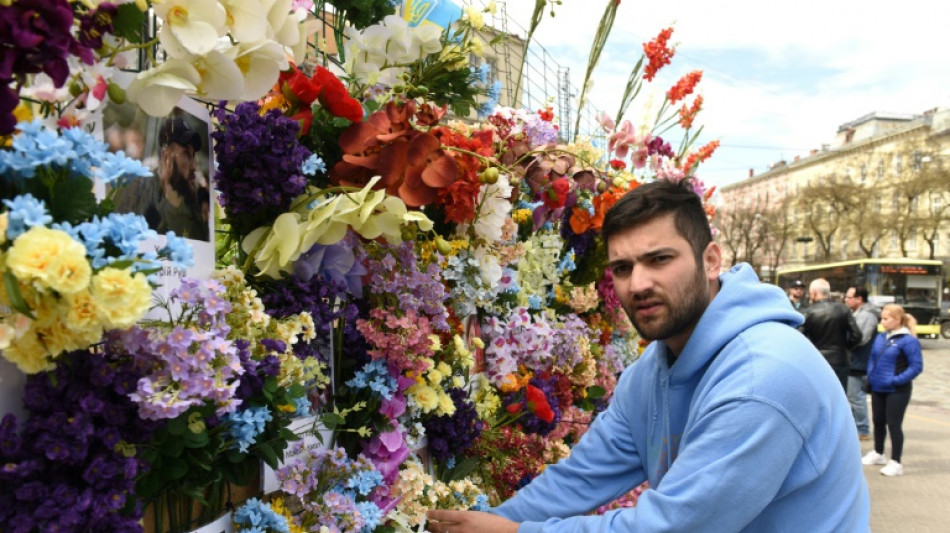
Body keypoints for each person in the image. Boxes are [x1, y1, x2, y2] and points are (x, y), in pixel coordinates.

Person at [427, 179, 869, 532]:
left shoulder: (761, 378)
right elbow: (582, 477)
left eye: (659, 259)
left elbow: (675, 526)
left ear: (711, 260)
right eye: (622, 268)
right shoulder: (653, 369)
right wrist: (488, 521)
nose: (637, 284)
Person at [861, 304, 923, 476]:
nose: (882, 322)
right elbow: (872, 358)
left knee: (894, 424)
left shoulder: (908, 341)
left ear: (897, 320)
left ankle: (896, 461)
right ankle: (878, 452)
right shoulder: (881, 337)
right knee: (878, 421)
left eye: (886, 319)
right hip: (878, 387)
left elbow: (916, 366)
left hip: (897, 390)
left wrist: (895, 380)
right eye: (882, 318)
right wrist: (871, 376)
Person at [801, 278, 862, 392]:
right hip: (840, 360)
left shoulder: (809, 312)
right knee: (839, 395)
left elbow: (800, 337)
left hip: (817, 361)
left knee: (820, 394)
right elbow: (857, 335)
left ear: (814, 293)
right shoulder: (843, 309)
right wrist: (844, 347)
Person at [845, 286, 880, 441]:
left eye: (849, 297)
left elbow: (860, 338)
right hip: (854, 361)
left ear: (859, 299)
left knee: (856, 397)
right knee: (852, 397)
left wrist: (843, 341)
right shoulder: (856, 313)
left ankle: (862, 429)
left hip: (859, 362)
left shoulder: (866, 315)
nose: (846, 300)